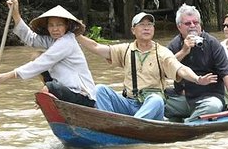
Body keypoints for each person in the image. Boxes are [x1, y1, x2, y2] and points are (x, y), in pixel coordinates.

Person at [77, 12, 212, 120]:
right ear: (133, 30)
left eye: (149, 25)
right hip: (129, 103)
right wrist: (77, 35)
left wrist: (197, 79)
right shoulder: (125, 50)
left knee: (157, 100)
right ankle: (109, 123)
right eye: (142, 24)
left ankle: (131, 127)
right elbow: (96, 47)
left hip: (150, 106)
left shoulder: (162, 52)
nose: (146, 28)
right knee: (100, 89)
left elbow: (180, 69)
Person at [0, 0, 96, 107]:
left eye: (59, 25)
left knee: (49, 86)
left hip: (82, 95)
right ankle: (50, 93)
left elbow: (43, 62)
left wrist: (9, 75)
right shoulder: (52, 40)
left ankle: (49, 92)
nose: (55, 29)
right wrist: (15, 13)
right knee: (36, 55)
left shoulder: (67, 42)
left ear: (66, 26)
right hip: (66, 89)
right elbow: (30, 38)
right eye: (51, 25)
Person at [165, 4, 228, 121]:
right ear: (179, 27)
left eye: (196, 23)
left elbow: (226, 73)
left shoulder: (212, 43)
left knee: (213, 106)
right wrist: (184, 51)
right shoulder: (174, 45)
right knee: (157, 102)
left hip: (208, 98)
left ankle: (186, 125)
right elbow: (164, 71)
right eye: (188, 23)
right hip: (183, 98)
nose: (192, 26)